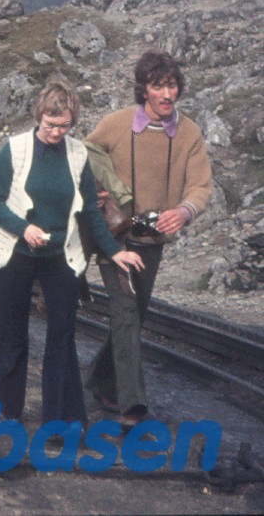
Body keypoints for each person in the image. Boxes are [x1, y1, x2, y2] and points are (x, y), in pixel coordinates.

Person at [0, 78, 145, 425]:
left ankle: (60, 419)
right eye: (51, 125)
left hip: (60, 255)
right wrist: (23, 228)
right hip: (15, 253)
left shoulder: (77, 154)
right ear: (39, 116)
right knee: (12, 334)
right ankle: (9, 412)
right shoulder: (14, 150)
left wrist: (113, 252)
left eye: (64, 126)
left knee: (62, 335)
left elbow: (89, 211)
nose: (57, 132)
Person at [83, 51, 212, 426]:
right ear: (144, 91)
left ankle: (99, 380)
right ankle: (132, 405)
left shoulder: (189, 133)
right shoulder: (116, 124)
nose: (167, 93)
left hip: (152, 242)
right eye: (158, 86)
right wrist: (98, 191)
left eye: (172, 85)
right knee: (125, 313)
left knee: (134, 317)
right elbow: (85, 156)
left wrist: (184, 211)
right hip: (115, 237)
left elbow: (201, 186)